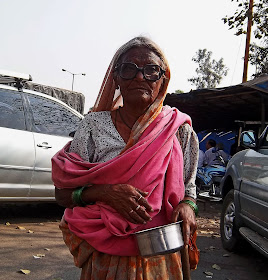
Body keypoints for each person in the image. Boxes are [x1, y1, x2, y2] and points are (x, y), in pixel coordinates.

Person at [52, 36, 199, 280]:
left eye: (151, 70)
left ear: (163, 80)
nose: (140, 77)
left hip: (161, 255)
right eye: (129, 69)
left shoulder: (179, 129)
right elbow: (62, 194)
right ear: (116, 78)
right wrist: (105, 193)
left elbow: (189, 190)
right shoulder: (93, 126)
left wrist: (188, 206)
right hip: (106, 255)